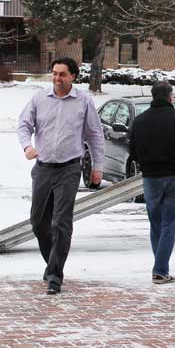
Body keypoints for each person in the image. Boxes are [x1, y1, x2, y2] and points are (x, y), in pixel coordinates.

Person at [17, 57, 105, 295]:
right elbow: (24, 125)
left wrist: (98, 167)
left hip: (69, 168)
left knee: (61, 223)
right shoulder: (39, 99)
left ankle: (55, 275)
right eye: (54, 74)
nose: (57, 78)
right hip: (43, 167)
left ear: (73, 76)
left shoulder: (84, 101)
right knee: (38, 222)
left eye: (62, 74)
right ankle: (52, 263)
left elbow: (95, 135)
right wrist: (27, 147)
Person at [129, 80, 175, 284]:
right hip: (174, 177)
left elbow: (132, 150)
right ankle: (160, 270)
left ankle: (160, 267)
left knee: (156, 223)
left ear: (153, 96)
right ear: (171, 97)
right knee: (169, 223)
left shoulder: (140, 120)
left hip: (150, 177)